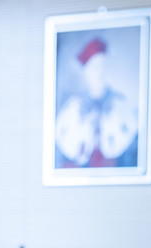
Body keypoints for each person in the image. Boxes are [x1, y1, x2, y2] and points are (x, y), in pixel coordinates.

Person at [55, 36, 140, 168]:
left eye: (103, 67)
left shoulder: (121, 104)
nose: (100, 73)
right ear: (86, 72)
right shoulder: (73, 107)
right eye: (95, 68)